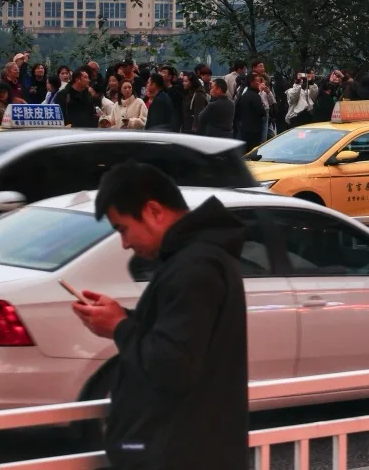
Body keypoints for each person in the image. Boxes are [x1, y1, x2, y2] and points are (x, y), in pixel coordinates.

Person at [69, 163, 247, 470]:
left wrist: (119, 327)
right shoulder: (195, 260)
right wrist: (121, 318)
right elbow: (179, 336)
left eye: (123, 228)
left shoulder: (194, 267)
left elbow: (173, 364)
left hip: (179, 454)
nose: (124, 243)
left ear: (153, 211)